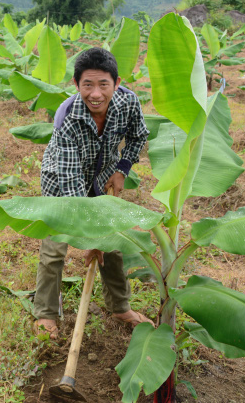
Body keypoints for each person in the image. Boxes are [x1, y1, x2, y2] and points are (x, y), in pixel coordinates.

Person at [33, 47, 152, 339]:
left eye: (103, 84)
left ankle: (119, 306)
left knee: (113, 243)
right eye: (87, 85)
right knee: (55, 247)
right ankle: (45, 313)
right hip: (62, 179)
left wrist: (122, 168)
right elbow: (72, 186)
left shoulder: (128, 103)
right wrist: (90, 238)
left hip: (103, 176)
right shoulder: (68, 117)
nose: (95, 93)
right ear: (76, 84)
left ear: (117, 83)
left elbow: (139, 136)